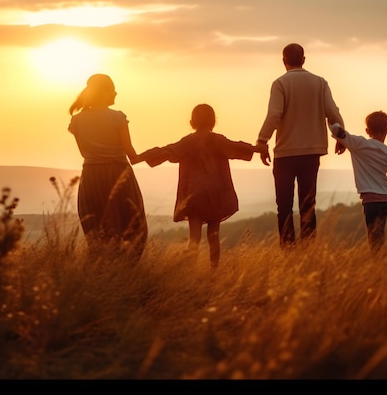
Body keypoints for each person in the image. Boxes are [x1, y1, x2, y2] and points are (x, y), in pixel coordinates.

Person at [140, 103, 267, 269]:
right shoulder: (217, 140)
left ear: (192, 121)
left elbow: (168, 151)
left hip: (194, 197)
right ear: (213, 120)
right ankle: (214, 272)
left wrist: (141, 156)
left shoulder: (188, 142)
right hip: (216, 195)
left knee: (194, 238)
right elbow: (237, 147)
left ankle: (191, 272)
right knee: (213, 237)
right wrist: (259, 148)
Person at [256, 43, 346, 248]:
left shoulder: (280, 83)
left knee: (284, 207)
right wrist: (341, 138)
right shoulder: (320, 83)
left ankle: (288, 250)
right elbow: (333, 113)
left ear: (283, 61)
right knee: (308, 206)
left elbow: (274, 115)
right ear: (304, 59)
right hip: (312, 153)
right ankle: (308, 251)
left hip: (285, 153)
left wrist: (262, 141)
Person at [68, 73, 148, 264]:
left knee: (96, 228)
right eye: (112, 89)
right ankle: (127, 271)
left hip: (91, 176)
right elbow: (132, 154)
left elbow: (84, 153)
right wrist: (157, 154)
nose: (116, 93)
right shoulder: (117, 117)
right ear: (103, 92)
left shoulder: (77, 121)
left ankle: (102, 272)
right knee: (132, 226)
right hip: (118, 173)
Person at [329, 110, 387, 252]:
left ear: (367, 130)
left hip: (370, 200)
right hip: (385, 199)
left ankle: (378, 263)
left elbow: (335, 129)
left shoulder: (359, 144)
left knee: (373, 237)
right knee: (378, 234)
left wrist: (341, 140)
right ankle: (379, 261)